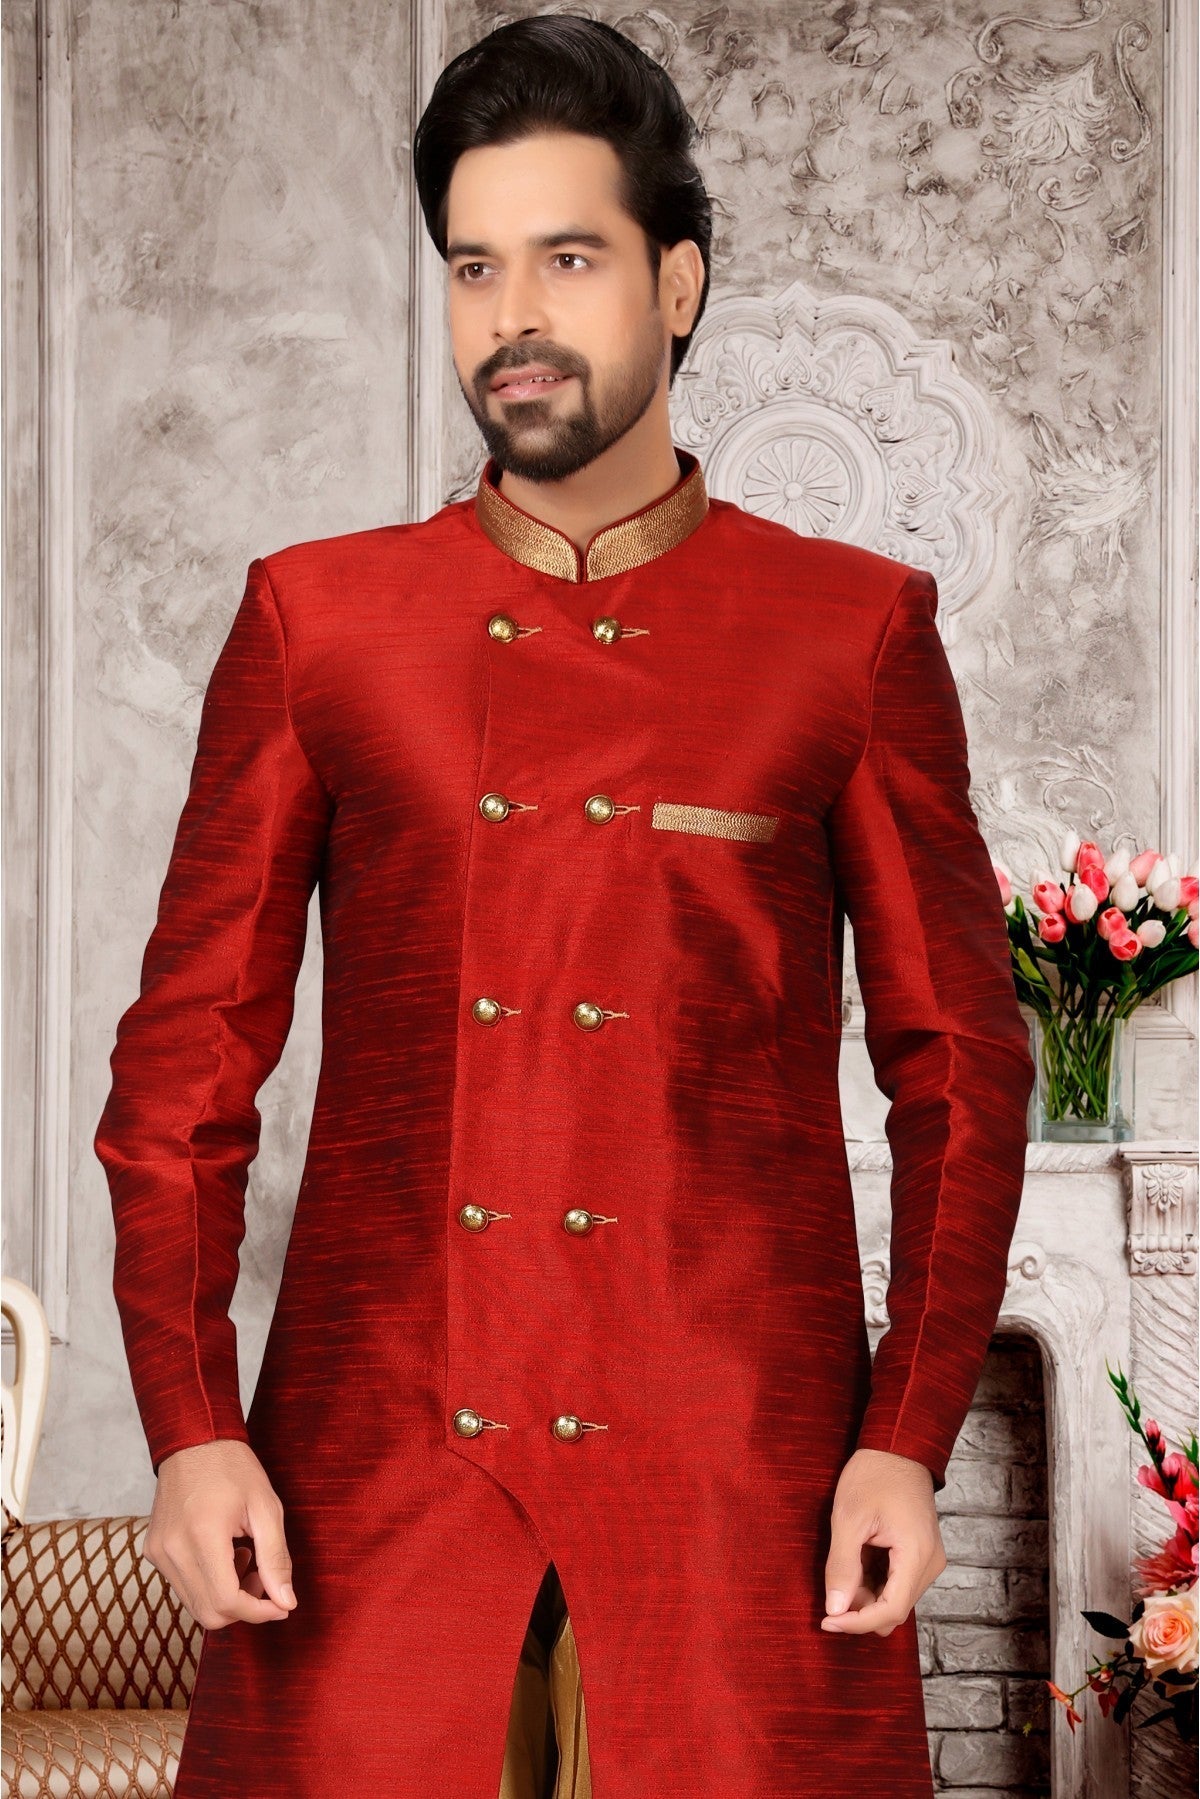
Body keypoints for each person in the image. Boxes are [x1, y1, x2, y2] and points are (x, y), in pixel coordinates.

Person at [94, 16, 1035, 1798]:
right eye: (475, 267)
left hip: (735, 1489)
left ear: (677, 285)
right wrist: (191, 1426)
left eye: (569, 259)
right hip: (374, 1486)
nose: (513, 315)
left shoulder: (847, 632)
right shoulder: (320, 623)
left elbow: (962, 1072)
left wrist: (906, 1436)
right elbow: (184, 1068)